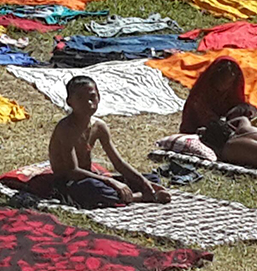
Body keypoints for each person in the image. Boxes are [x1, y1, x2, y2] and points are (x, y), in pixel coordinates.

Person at [49, 76, 171, 208]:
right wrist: (109, 181)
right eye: (80, 98)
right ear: (69, 102)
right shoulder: (66, 129)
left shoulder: (99, 126)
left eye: (92, 97)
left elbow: (118, 163)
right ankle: (140, 197)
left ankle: (134, 194)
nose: (88, 103)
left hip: (91, 177)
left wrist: (144, 182)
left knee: (151, 179)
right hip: (70, 182)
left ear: (99, 98)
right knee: (94, 190)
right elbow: (72, 171)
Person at [180, 57, 246, 134]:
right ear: (214, 78)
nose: (223, 86)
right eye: (221, 81)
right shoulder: (200, 95)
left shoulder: (233, 92)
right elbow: (201, 118)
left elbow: (238, 111)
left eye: (228, 83)